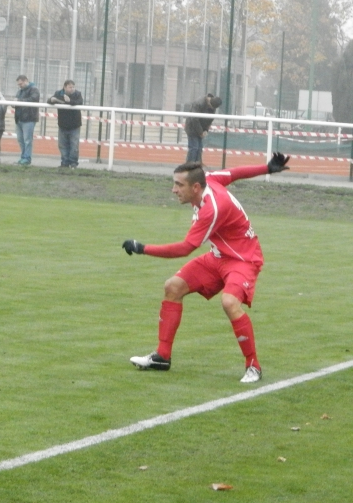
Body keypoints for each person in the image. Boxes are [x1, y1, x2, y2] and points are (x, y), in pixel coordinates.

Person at [121, 152, 291, 384]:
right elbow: (235, 173)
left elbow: (185, 248)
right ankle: (162, 356)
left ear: (196, 187)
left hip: (243, 259)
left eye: (179, 185)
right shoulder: (208, 179)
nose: (174, 190)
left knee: (229, 303)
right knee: (173, 287)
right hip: (218, 256)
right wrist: (267, 168)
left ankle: (253, 366)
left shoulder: (212, 209)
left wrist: (142, 248)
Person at [48, 80, 84, 168]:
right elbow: (49, 101)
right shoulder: (58, 93)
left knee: (74, 146)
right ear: (64, 87)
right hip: (62, 124)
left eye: (73, 87)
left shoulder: (77, 94)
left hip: (75, 125)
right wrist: (52, 100)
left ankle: (73, 163)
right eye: (70, 87)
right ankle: (64, 163)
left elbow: (79, 102)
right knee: (62, 145)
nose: (72, 89)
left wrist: (69, 101)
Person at [184, 93, 222, 163]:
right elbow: (194, 119)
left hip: (201, 129)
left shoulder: (213, 106)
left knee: (199, 149)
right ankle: (189, 165)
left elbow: (210, 119)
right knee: (194, 148)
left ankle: (197, 164)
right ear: (209, 102)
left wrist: (206, 130)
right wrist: (201, 132)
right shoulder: (198, 103)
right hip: (192, 128)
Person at [14, 75, 40, 165]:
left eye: (21, 84)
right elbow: (17, 102)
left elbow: (33, 99)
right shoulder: (20, 91)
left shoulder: (34, 90)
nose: (19, 86)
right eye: (18, 84)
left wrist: (19, 101)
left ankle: (27, 158)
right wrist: (14, 103)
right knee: (20, 140)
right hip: (19, 118)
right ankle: (23, 157)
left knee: (27, 140)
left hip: (29, 118)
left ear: (26, 81)